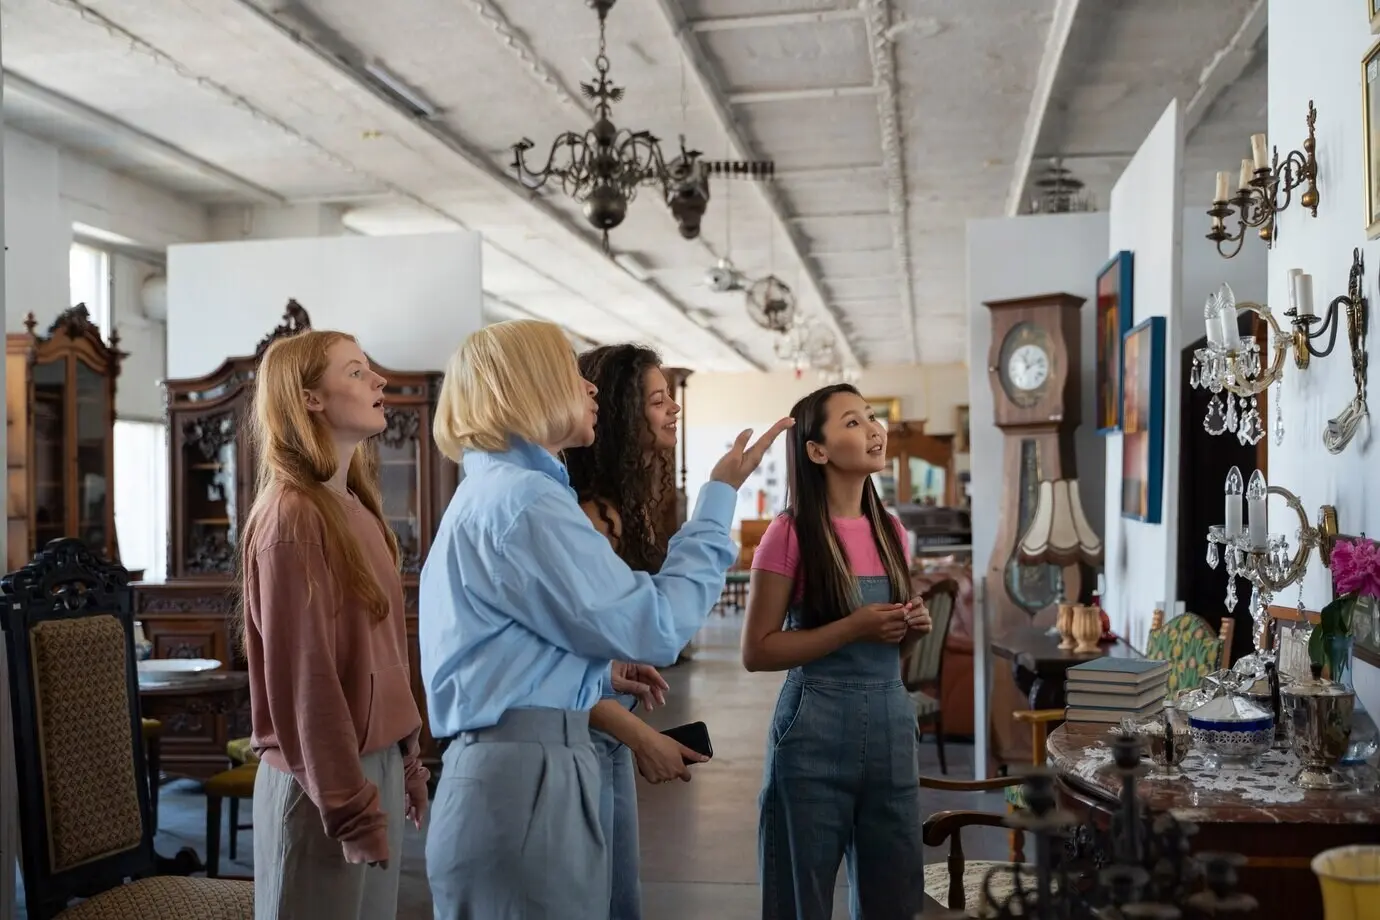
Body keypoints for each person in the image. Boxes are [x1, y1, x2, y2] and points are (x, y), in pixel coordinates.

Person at [419, 319, 792, 920]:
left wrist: (592, 672)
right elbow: (656, 627)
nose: (589, 388)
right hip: (528, 777)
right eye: (570, 373)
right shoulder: (528, 500)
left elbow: (516, 643)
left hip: (513, 769)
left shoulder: (495, 491)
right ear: (530, 388)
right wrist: (718, 498)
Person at [239, 330, 429, 920]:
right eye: (355, 372)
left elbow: (384, 654)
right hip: (319, 784)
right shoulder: (293, 517)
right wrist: (347, 805)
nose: (378, 381)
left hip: (370, 767)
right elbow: (307, 684)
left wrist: (408, 759)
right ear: (311, 399)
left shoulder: (356, 509)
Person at [741, 383, 932, 920]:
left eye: (872, 417)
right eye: (853, 422)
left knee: (894, 895)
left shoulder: (891, 529)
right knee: (800, 895)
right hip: (813, 729)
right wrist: (852, 628)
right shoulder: (788, 533)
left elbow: (891, 644)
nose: (874, 429)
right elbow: (757, 651)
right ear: (817, 450)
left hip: (893, 722)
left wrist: (912, 625)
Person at [564, 344, 699, 920]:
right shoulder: (592, 513)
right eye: (658, 399)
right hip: (582, 738)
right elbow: (555, 662)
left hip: (606, 731)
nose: (674, 411)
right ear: (622, 411)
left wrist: (613, 671)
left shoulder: (623, 504)